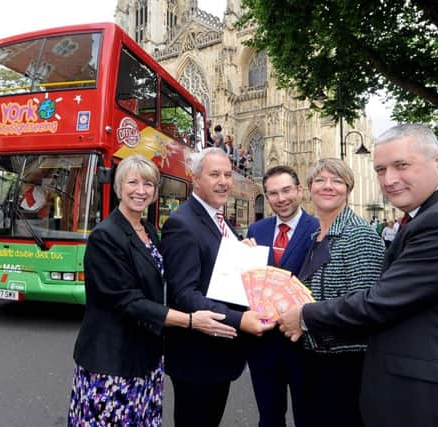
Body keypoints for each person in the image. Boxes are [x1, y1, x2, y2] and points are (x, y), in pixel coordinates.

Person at [279, 124, 438, 427]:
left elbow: (380, 301)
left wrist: (305, 315)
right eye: (381, 170)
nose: (389, 180)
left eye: (401, 165)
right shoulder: (434, 214)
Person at [68, 154, 237, 426]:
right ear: (119, 186)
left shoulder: (147, 230)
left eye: (148, 184)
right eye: (133, 182)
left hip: (146, 356)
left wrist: (240, 253)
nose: (141, 190)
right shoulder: (105, 236)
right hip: (113, 362)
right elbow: (128, 301)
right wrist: (191, 320)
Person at [160, 147, 275, 427]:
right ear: (195, 178)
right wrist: (240, 320)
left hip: (218, 356)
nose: (224, 181)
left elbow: (217, 273)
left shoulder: (220, 220)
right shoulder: (182, 224)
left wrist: (242, 252)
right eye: (214, 174)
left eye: (227, 174)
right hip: (197, 358)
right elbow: (184, 294)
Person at [295, 158, 385, 427]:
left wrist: (303, 317)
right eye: (320, 180)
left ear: (348, 188)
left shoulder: (359, 234)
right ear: (309, 189)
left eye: (337, 181)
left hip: (347, 364)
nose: (328, 186)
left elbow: (365, 307)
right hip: (316, 358)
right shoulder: (317, 238)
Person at [246, 165, 319, 427]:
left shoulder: (318, 228)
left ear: (299, 190)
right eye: (273, 193)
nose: (281, 198)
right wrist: (242, 258)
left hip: (302, 343)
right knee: (269, 417)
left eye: (287, 190)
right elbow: (249, 281)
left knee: (307, 416)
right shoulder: (257, 230)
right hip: (263, 344)